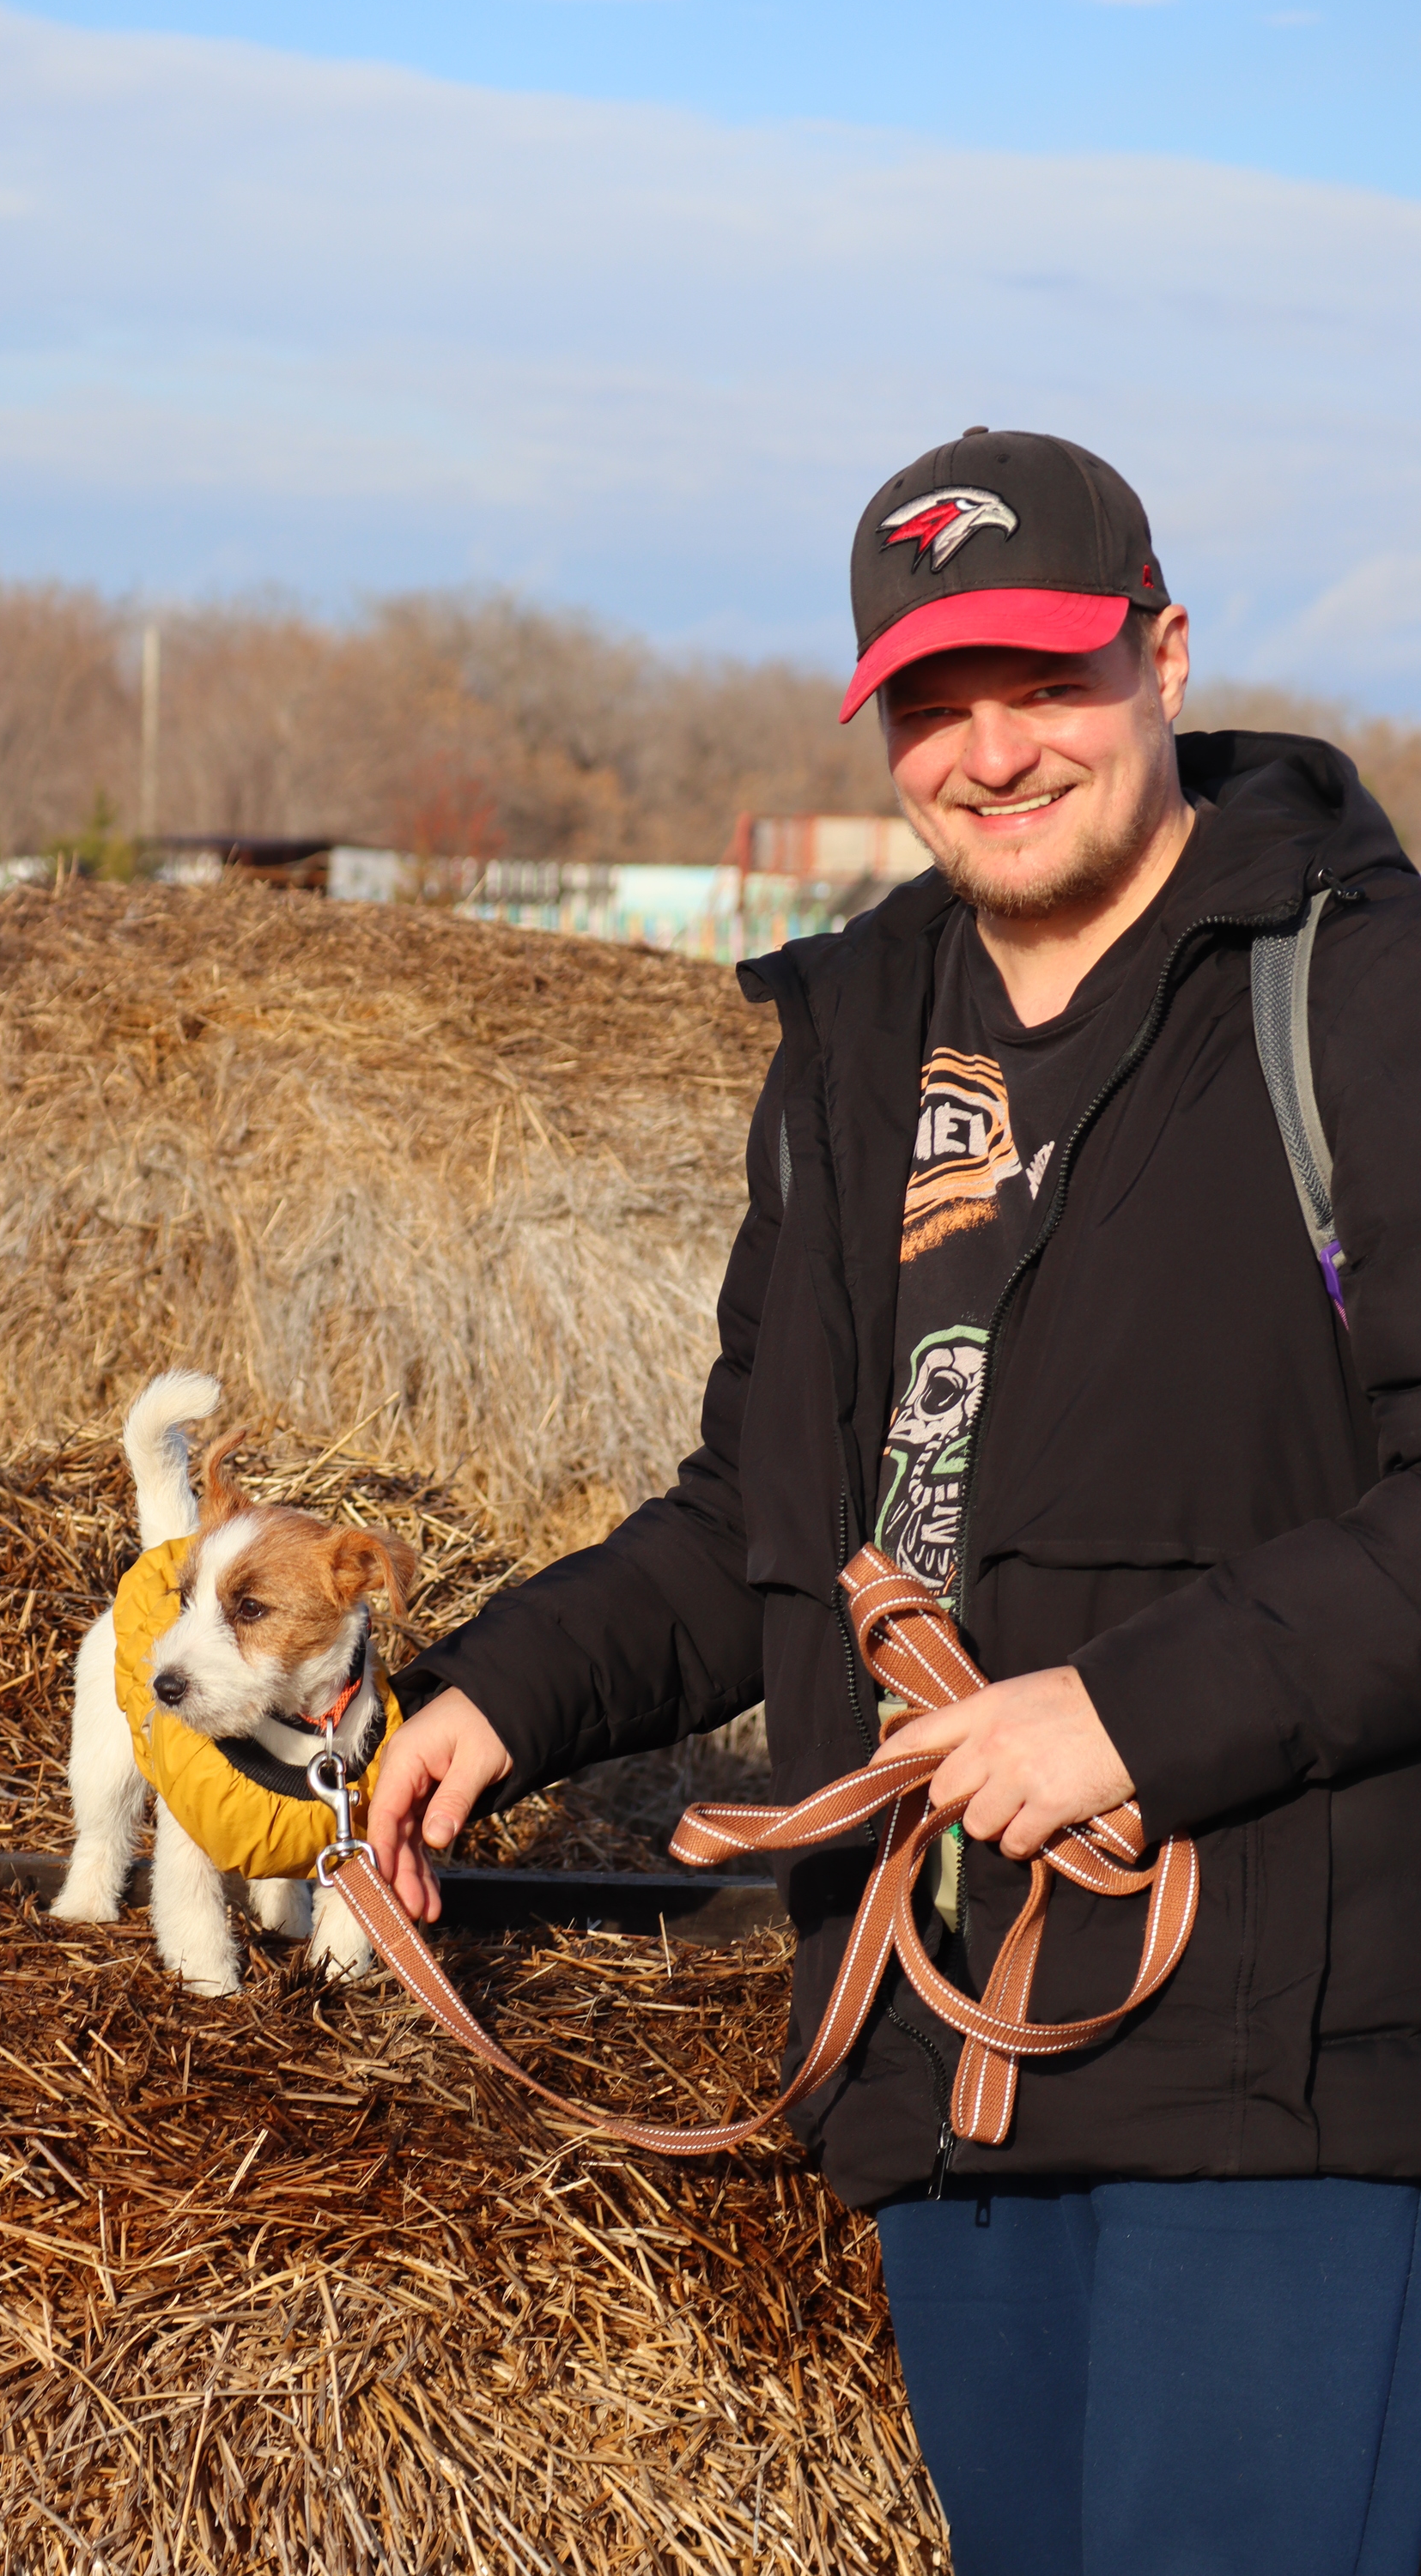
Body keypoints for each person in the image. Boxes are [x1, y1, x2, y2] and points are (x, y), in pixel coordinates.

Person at [367, 429, 1421, 2576]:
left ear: (1161, 652)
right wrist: (496, 1692)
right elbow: (762, 1509)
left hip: (1289, 2075)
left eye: (1044, 679)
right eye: (935, 701)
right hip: (936, 2067)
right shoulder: (854, 1036)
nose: (992, 749)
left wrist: (1125, 1712)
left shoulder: (1363, 998)